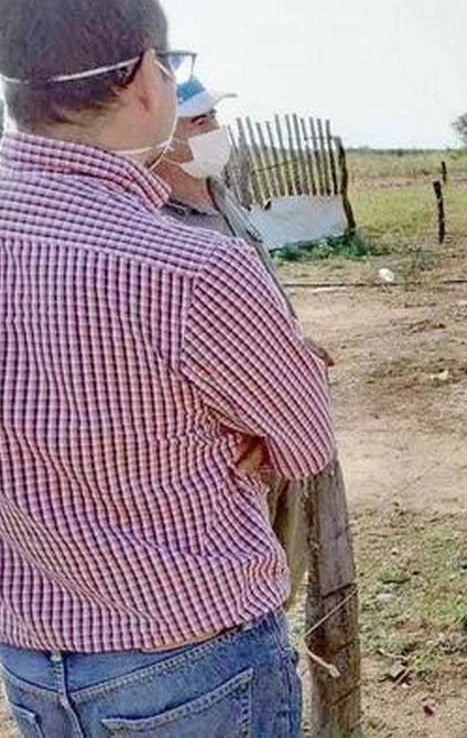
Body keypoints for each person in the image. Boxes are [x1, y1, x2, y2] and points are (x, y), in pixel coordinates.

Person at [0, 0, 334, 735]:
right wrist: (246, 420)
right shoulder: (194, 269)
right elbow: (304, 444)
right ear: (145, 77)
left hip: (30, 656)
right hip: (193, 657)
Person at [157, 77, 334, 609]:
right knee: (243, 583)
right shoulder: (157, 223)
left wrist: (292, 343)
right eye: (199, 121)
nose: (216, 130)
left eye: (215, 117)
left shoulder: (222, 196)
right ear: (161, 137)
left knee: (285, 569)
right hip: (231, 442)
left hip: (276, 421)